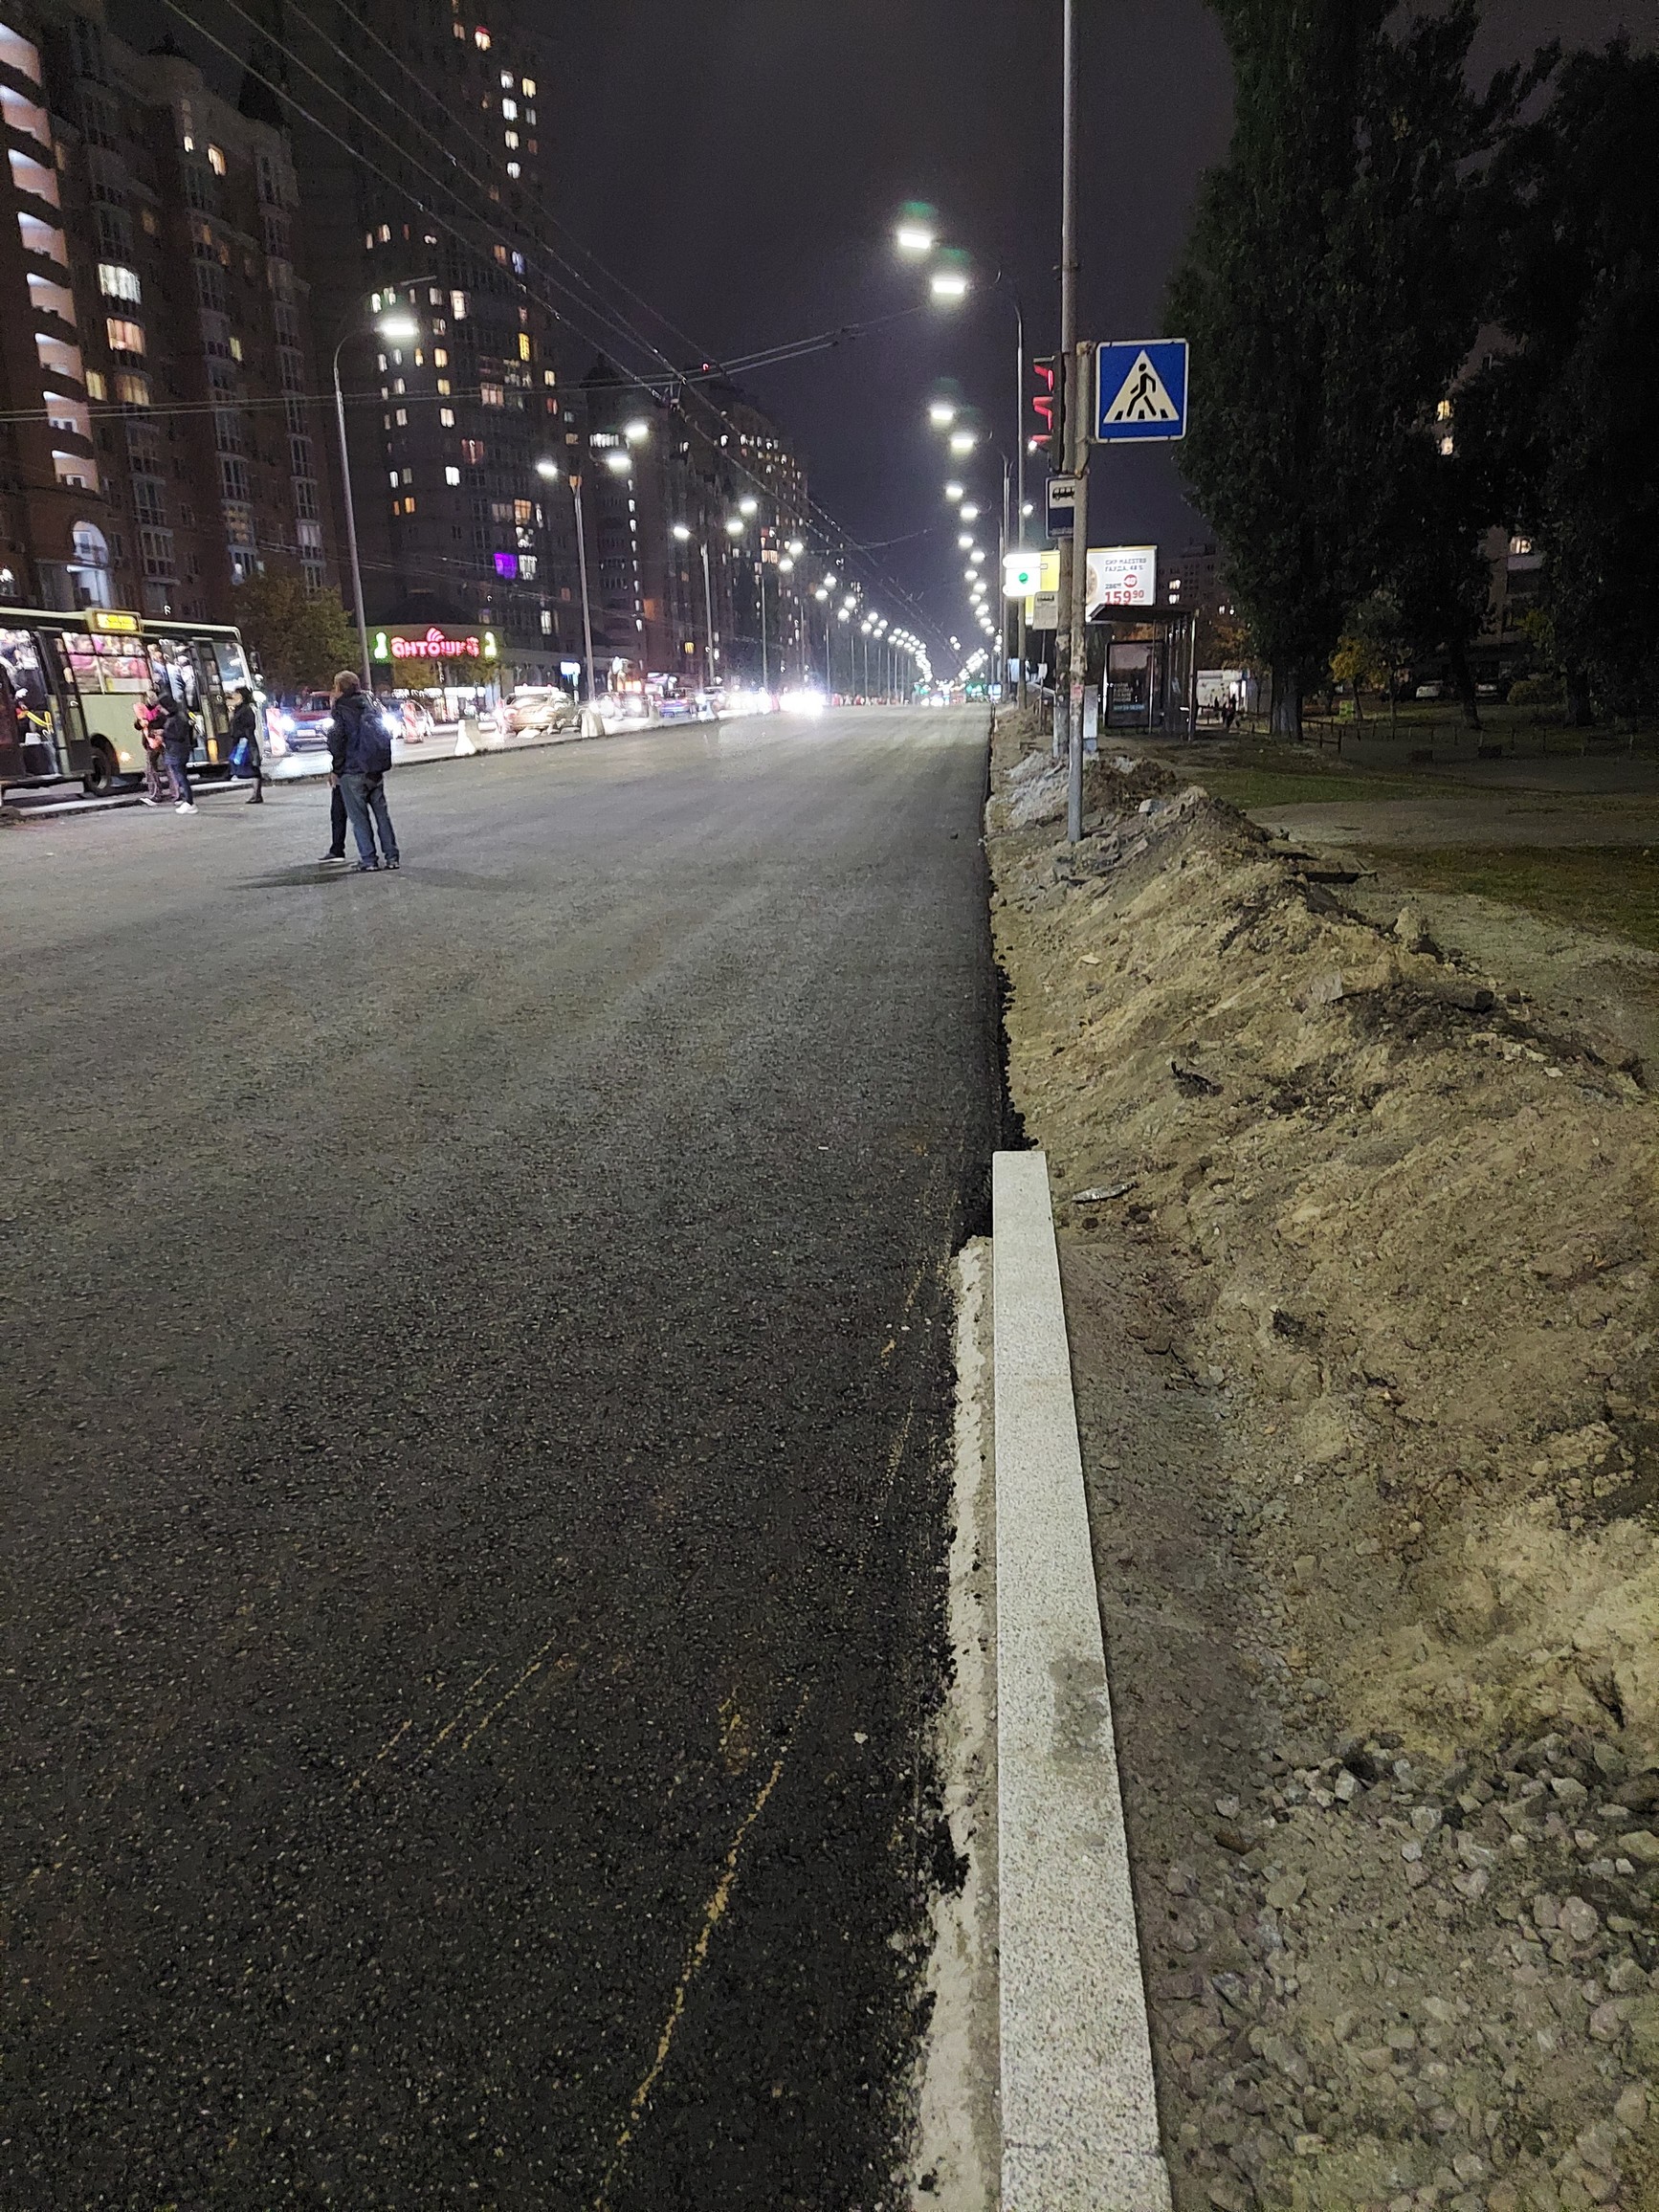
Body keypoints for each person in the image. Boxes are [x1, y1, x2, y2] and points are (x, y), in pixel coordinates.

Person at [325, 670, 399, 872]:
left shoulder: (341, 708)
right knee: (382, 815)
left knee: (359, 818)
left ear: (339, 687)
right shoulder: (371, 704)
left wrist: (336, 769)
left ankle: (369, 860)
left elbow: (337, 742)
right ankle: (392, 857)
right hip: (375, 768)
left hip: (352, 770)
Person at [161, 694, 196, 814]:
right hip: (176, 751)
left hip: (177, 751)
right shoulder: (176, 717)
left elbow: (179, 736)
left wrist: (163, 734)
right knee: (180, 777)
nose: (161, 709)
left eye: (162, 707)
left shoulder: (177, 719)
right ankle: (188, 801)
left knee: (181, 777)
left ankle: (189, 802)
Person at [229, 685, 263, 805]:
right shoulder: (239, 709)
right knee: (251, 767)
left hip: (246, 742)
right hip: (242, 741)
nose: (233, 696)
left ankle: (257, 794)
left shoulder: (246, 709)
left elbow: (249, 727)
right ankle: (256, 794)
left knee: (253, 767)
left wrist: (241, 736)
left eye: (236, 693)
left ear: (242, 696)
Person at [135, 689, 169, 807]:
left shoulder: (160, 710)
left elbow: (163, 722)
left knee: (152, 768)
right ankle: (173, 793)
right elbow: (137, 725)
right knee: (157, 768)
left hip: (159, 741)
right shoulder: (145, 710)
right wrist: (140, 723)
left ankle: (157, 795)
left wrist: (150, 726)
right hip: (152, 742)